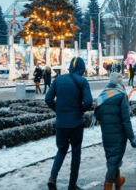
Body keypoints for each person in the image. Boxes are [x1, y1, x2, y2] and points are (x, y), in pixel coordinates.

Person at [45, 57, 93, 190]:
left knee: (61, 150)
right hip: (76, 123)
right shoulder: (83, 81)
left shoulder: (59, 79)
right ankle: (72, 185)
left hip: (61, 124)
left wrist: (58, 110)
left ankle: (53, 177)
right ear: (82, 69)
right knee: (76, 153)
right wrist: (80, 110)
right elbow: (88, 102)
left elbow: (48, 99)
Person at [94, 72, 135, 190]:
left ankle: (118, 182)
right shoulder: (121, 95)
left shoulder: (103, 95)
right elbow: (126, 120)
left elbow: (97, 115)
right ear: (120, 83)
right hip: (119, 135)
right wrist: (132, 138)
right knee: (113, 162)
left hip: (106, 134)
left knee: (113, 158)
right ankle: (108, 186)